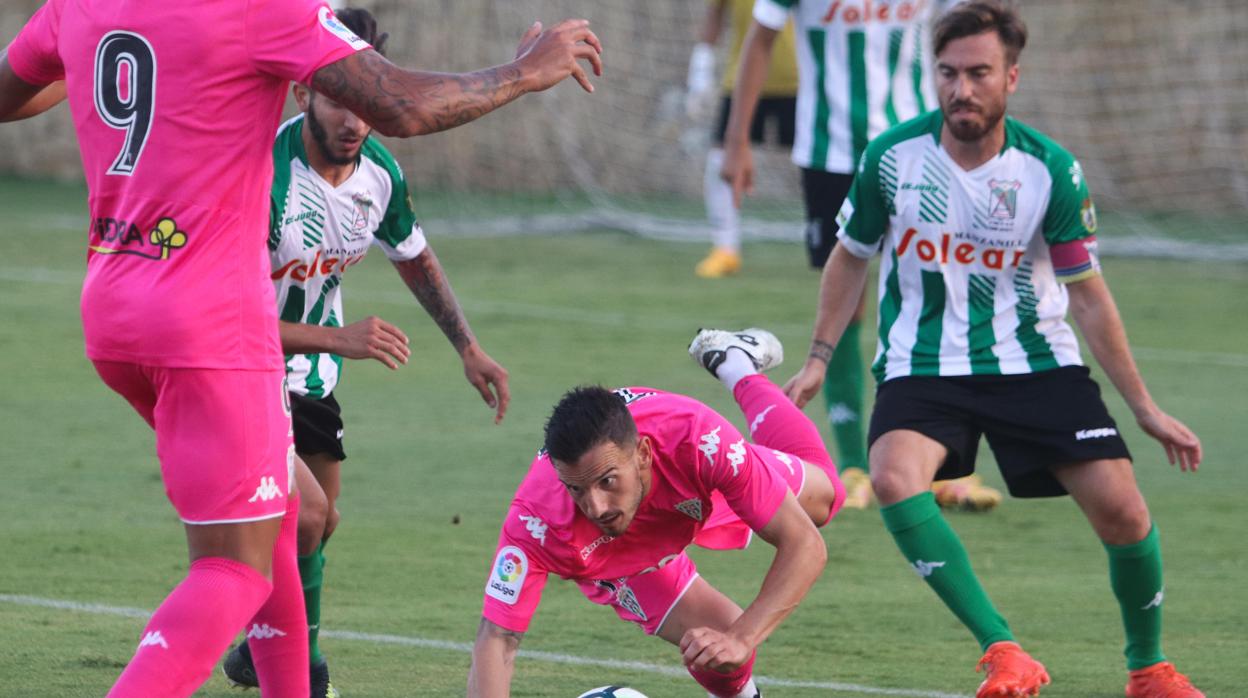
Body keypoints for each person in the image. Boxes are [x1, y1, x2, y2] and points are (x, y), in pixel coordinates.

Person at [0, 2, 601, 695]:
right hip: (210, 321)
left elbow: (13, 91)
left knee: (290, 514)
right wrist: (524, 73)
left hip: (113, 309)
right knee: (234, 568)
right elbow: (401, 104)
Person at [782, 3, 1204, 696]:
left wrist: (1146, 408)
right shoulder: (891, 158)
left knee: (1124, 510)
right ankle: (1003, 650)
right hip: (923, 364)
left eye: (979, 73)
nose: (961, 90)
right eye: (947, 74)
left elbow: (1089, 296)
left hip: (1034, 363)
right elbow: (849, 257)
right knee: (892, 476)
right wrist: (821, 356)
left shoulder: (1050, 170)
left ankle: (1149, 669)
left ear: (1012, 77)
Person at [215, 9, 509, 697]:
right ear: (302, 95)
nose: (354, 119)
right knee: (305, 515)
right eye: (338, 99)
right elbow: (231, 315)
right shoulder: (264, 174)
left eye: (366, 102)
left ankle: (261, 653)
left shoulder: (379, 172)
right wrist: (340, 338)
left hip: (313, 378)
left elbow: (412, 255)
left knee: (320, 524)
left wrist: (468, 346)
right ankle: (302, 674)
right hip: (246, 371)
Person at [721, 0, 1002, 510]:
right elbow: (759, 40)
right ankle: (851, 466)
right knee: (846, 302)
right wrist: (736, 140)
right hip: (832, 154)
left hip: (922, 151)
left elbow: (981, 24)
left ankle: (945, 466)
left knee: (940, 294)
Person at [467, 329, 846, 698]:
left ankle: (737, 366)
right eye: (576, 489)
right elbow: (498, 638)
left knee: (826, 497)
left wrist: (742, 638)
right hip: (617, 559)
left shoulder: (700, 441)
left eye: (607, 481)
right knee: (716, 646)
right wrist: (731, 639)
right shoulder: (535, 521)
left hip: (703, 490)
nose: (595, 507)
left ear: (644, 454)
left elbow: (805, 546)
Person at [687, 0, 798, 278]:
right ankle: (725, 249)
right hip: (743, 80)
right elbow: (715, 14)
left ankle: (845, 242)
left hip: (802, 80)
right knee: (721, 159)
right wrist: (701, 67)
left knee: (828, 160)